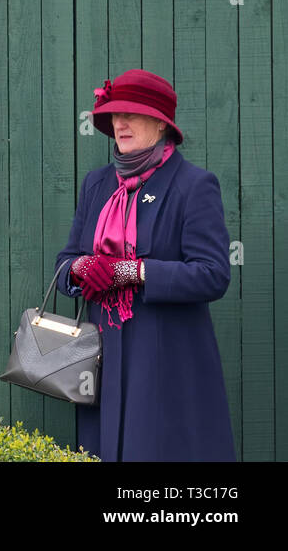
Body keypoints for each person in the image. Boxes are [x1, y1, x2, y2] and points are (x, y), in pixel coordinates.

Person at [53, 68, 236, 461]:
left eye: (131, 114)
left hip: (165, 361)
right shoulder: (97, 184)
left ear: (159, 122)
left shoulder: (193, 185)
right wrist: (83, 268)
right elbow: (65, 261)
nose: (120, 123)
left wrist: (132, 271)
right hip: (100, 363)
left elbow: (214, 274)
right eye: (114, 115)